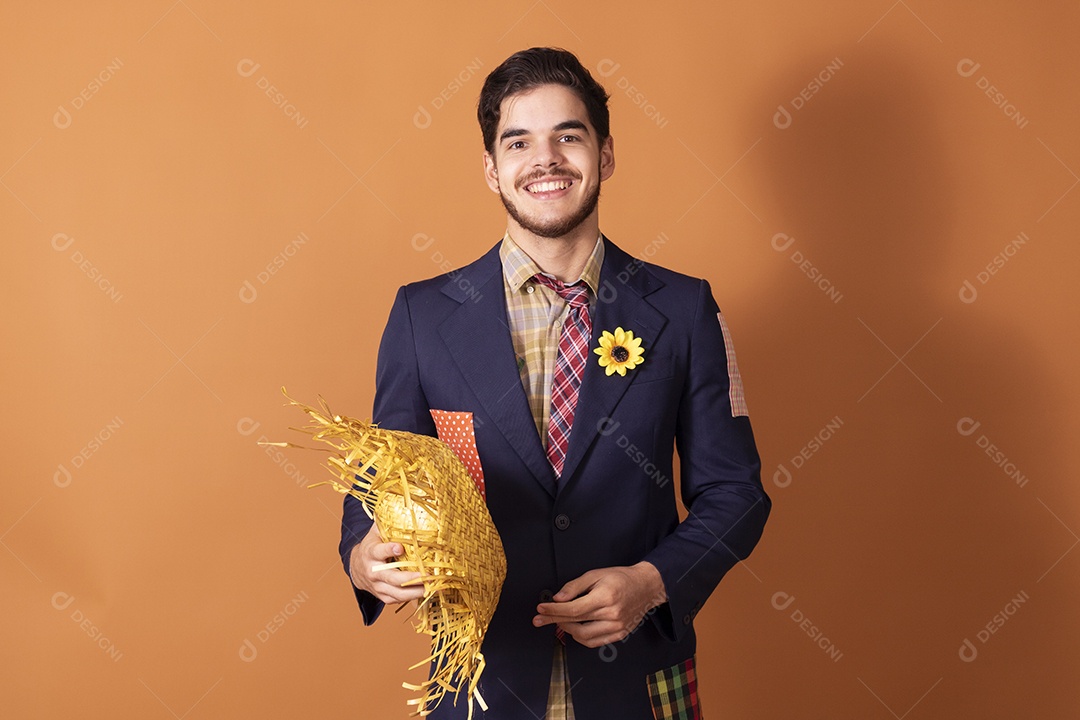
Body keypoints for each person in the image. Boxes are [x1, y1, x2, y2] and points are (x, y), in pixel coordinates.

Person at [340, 47, 770, 720]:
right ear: (491, 168)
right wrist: (365, 554)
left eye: (568, 136)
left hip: (637, 680)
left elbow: (736, 493)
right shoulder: (423, 316)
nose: (545, 160)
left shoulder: (684, 311)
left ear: (605, 154)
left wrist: (653, 582)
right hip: (481, 683)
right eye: (519, 142)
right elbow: (384, 481)